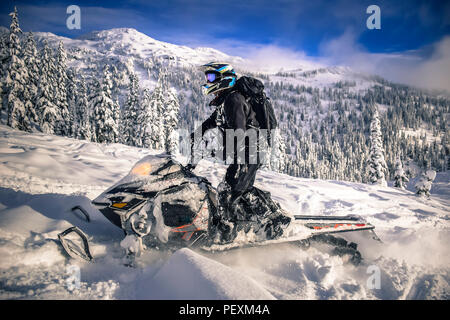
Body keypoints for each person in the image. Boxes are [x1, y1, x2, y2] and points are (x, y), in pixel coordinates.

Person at [188, 62, 267, 242]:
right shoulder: (226, 101)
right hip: (247, 153)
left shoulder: (234, 100)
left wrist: (212, 149)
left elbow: (238, 132)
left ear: (224, 78)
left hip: (250, 153)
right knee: (237, 190)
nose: (208, 81)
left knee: (228, 193)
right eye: (207, 77)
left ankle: (228, 236)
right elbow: (211, 122)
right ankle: (260, 219)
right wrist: (195, 137)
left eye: (211, 77)